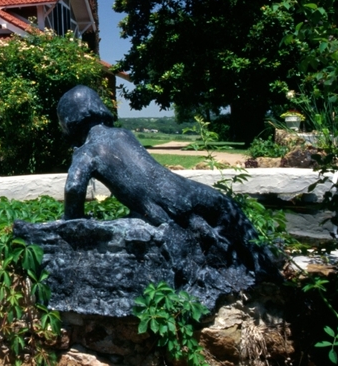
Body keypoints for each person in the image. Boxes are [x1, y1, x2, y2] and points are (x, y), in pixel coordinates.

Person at [57, 85, 278, 278]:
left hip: (160, 208)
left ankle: (245, 268)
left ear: (70, 121)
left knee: (192, 237)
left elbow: (74, 186)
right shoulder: (124, 134)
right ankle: (266, 263)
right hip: (185, 188)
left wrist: (72, 218)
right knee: (229, 208)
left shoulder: (86, 152)